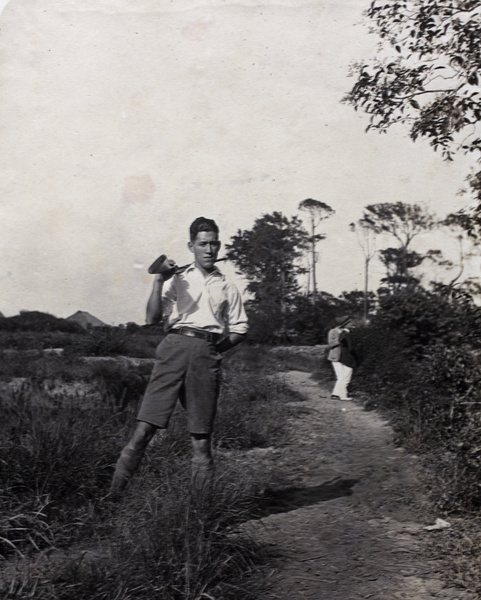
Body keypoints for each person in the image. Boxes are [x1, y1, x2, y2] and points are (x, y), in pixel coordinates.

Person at [110, 217, 249, 494]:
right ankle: (113, 498)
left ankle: (200, 515)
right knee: (143, 431)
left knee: (201, 440)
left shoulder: (227, 286)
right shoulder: (178, 279)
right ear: (191, 246)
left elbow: (240, 328)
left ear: (219, 245)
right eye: (202, 244)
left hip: (205, 355)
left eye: (213, 244)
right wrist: (159, 281)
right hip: (174, 348)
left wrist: (214, 351)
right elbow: (151, 318)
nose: (209, 250)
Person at [327, 315, 356, 401]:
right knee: (342, 376)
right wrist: (341, 338)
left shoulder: (346, 332)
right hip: (335, 357)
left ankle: (335, 394)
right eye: (349, 323)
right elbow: (331, 344)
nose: (351, 324)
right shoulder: (333, 331)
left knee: (342, 377)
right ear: (344, 324)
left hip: (343, 357)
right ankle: (342, 395)